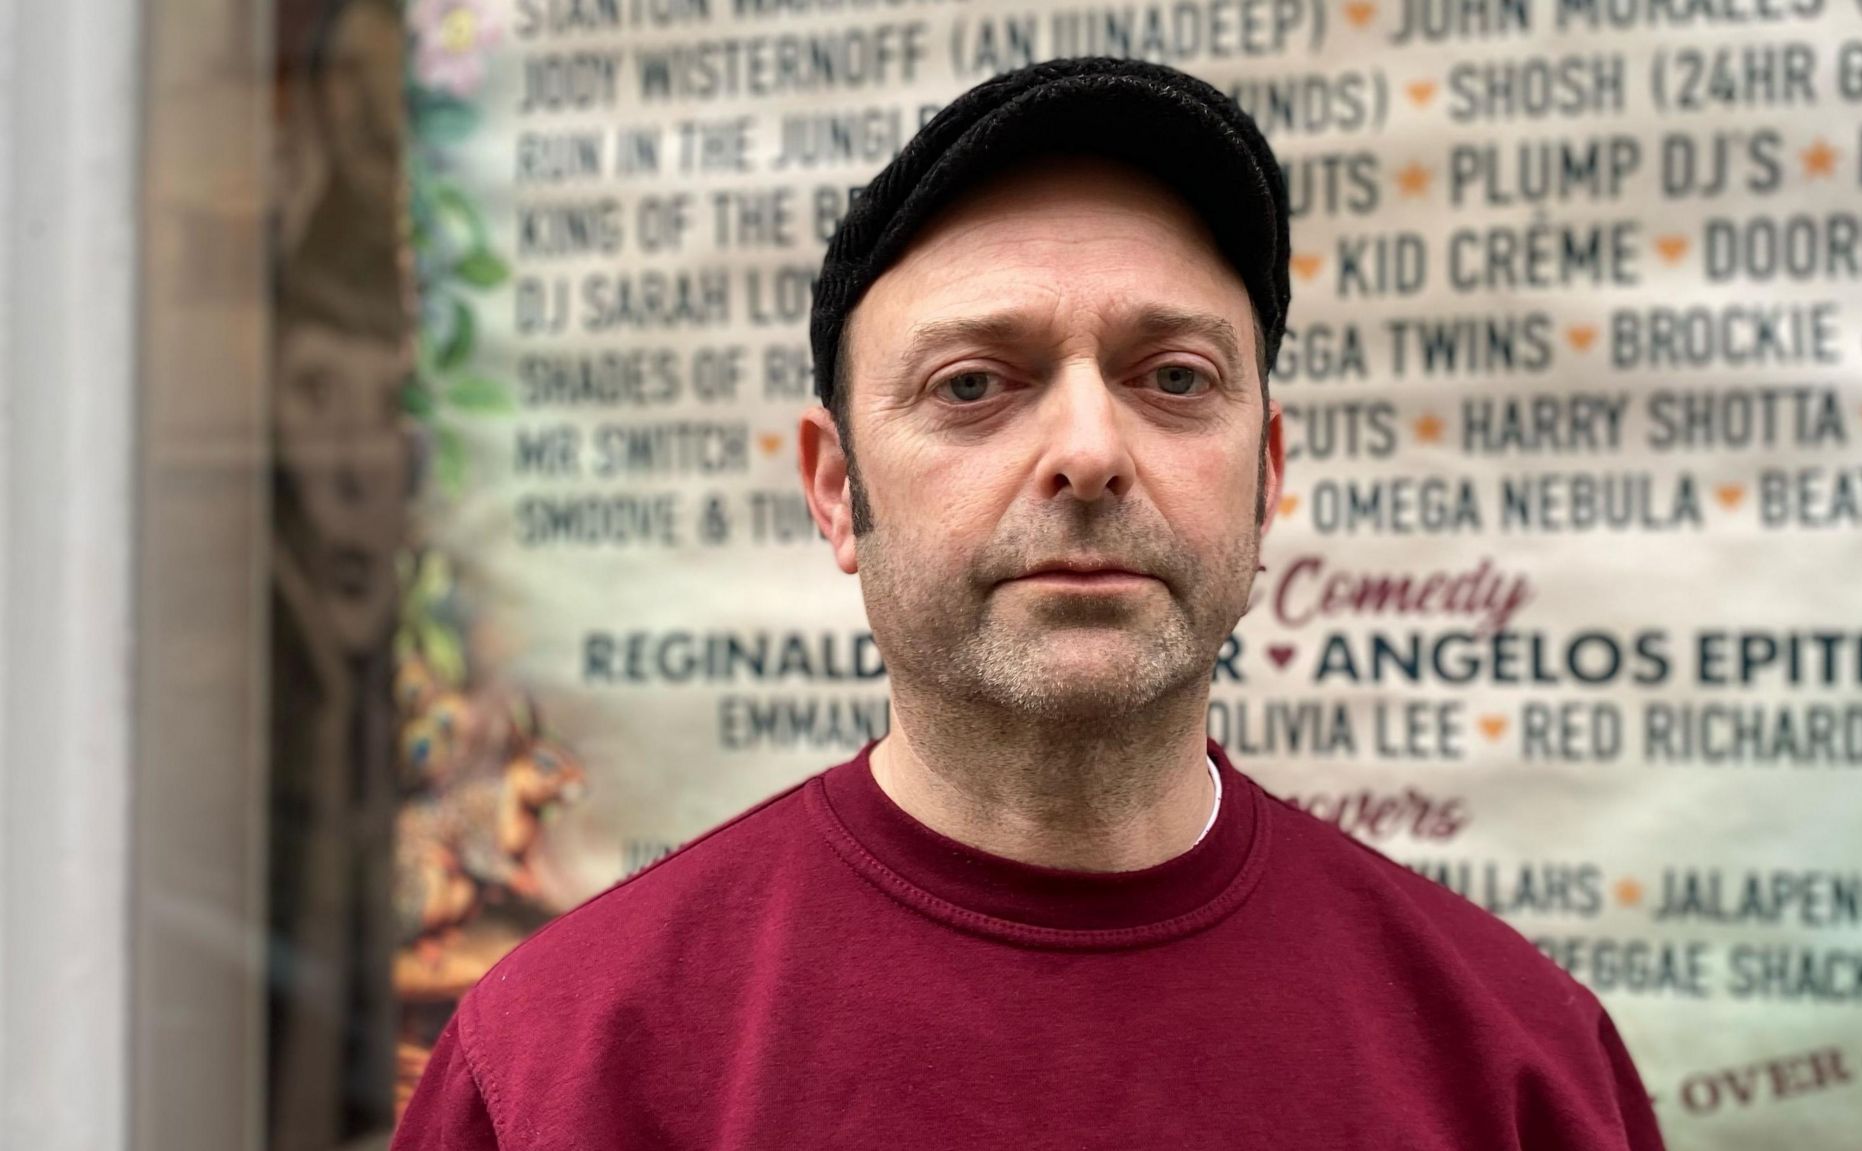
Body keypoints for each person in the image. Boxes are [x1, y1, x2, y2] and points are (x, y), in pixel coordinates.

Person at [392, 57, 1666, 1149]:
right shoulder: (565, 1066)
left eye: (1172, 376)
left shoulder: (1521, 1071)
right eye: (970, 385)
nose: (1089, 448)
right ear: (835, 490)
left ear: (1264, 472)